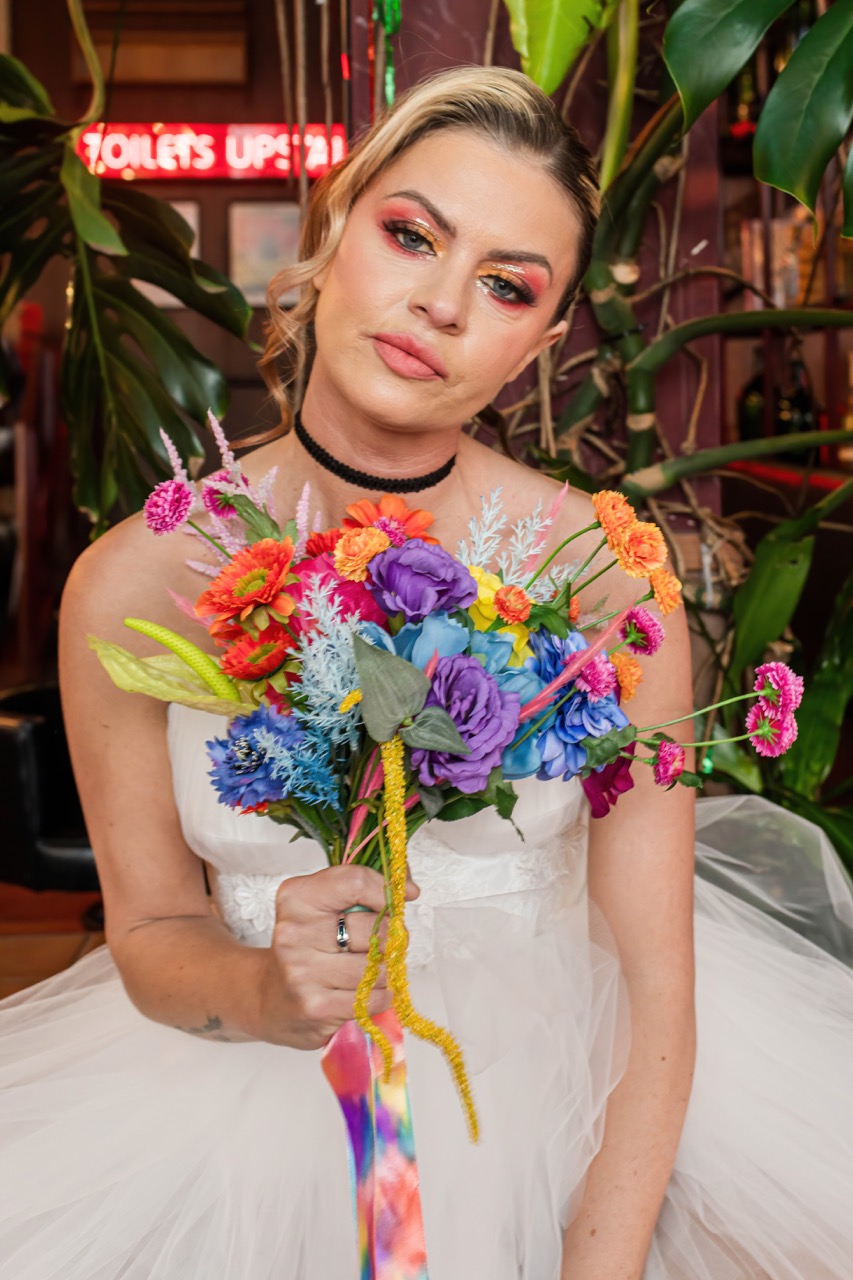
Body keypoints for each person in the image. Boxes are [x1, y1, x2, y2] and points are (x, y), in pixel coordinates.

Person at [1, 66, 852, 1280]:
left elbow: (655, 983)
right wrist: (263, 989)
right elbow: (149, 927)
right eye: (412, 234)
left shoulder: (609, 582)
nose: (442, 304)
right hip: (239, 1138)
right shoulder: (131, 582)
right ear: (334, 222)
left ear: (545, 338)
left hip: (565, 1128)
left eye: (507, 284)